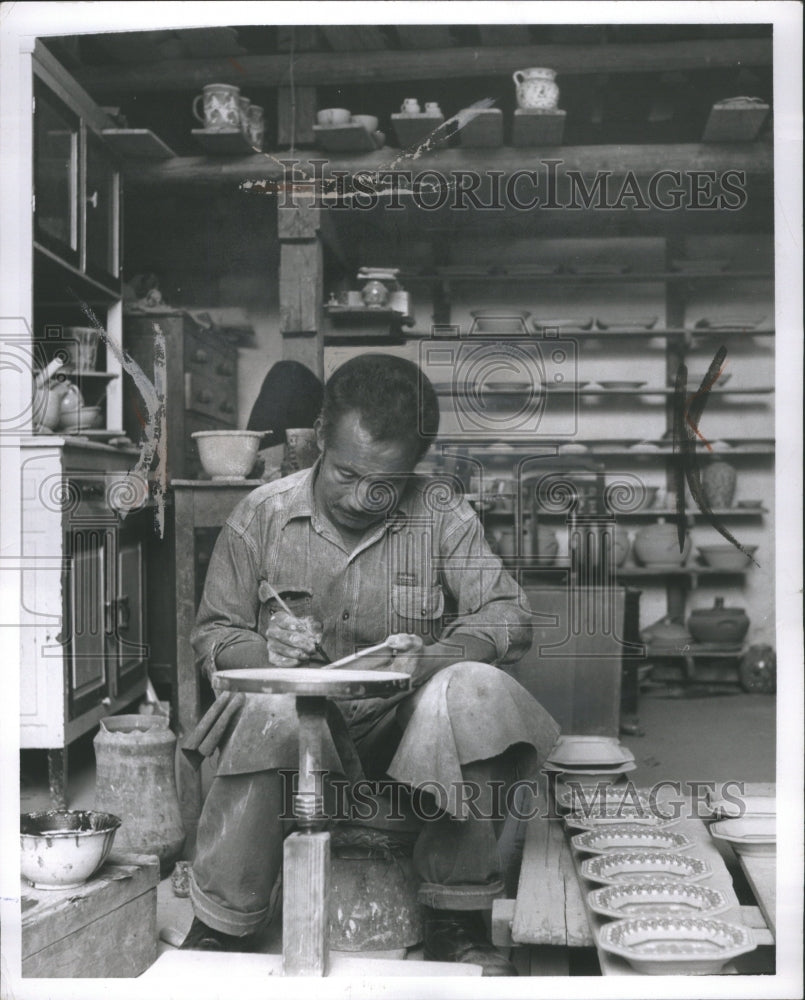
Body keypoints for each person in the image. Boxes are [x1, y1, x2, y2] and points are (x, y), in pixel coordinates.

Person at [182, 354, 559, 975]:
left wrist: (435, 657)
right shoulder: (262, 515)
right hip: (303, 735)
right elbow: (214, 636)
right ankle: (224, 923)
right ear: (321, 434)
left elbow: (507, 614)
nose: (362, 497)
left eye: (383, 481)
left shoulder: (441, 514)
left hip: (407, 738)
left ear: (414, 465)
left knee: (477, 689)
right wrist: (265, 649)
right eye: (347, 473)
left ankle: (454, 914)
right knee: (275, 702)